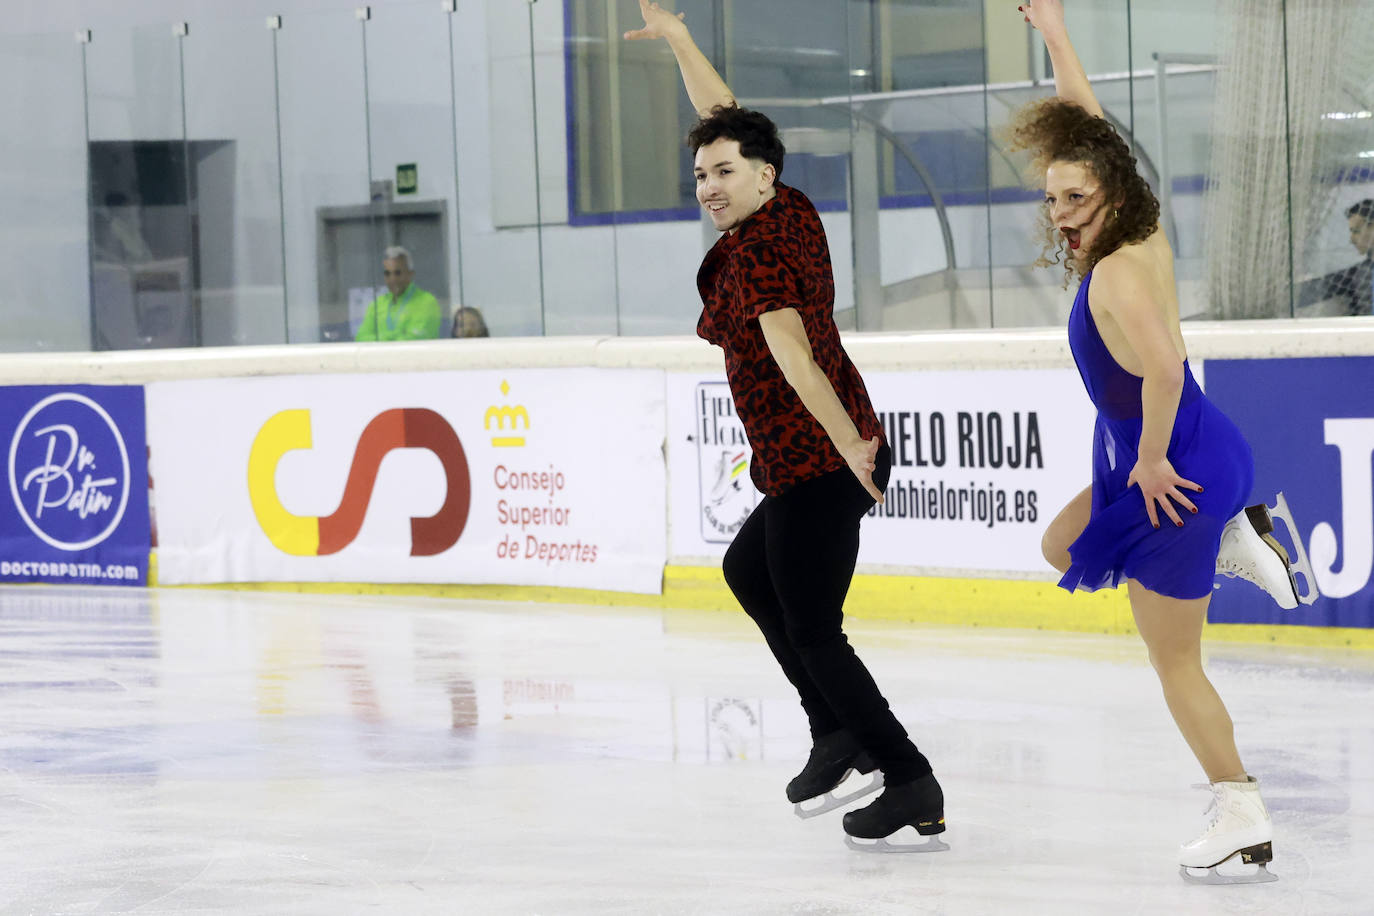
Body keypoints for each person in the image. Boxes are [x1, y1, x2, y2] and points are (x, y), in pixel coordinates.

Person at [625, 0, 945, 853]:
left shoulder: (761, 250)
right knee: (748, 572)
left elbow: (796, 356)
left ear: (762, 174)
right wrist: (683, 42)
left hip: (819, 456)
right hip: (806, 457)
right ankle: (836, 733)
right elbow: (723, 120)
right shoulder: (786, 207)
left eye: (723, 173)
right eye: (701, 176)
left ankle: (906, 775)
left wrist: (850, 450)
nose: (708, 186)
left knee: (812, 626)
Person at [1016, 0, 1297, 884]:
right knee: (1061, 541)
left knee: (1174, 662)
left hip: (1172, 464)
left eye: (1075, 199)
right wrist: (1058, 37)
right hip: (1188, 451)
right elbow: (1092, 130)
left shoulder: (1114, 271)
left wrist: (1146, 461)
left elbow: (1168, 367)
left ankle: (1237, 806)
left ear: (1111, 196)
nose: (1061, 213)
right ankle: (1233, 531)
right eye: (1053, 198)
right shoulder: (1137, 227)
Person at [1298, 199, 1374, 315]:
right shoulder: (1358, 274)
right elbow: (1319, 288)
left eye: (1356, 231)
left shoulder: (1361, 274)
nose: (1352, 240)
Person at [355, 246, 441, 341]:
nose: (392, 279)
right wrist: (397, 335)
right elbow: (360, 338)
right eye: (387, 274)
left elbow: (416, 339)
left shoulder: (427, 302)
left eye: (398, 273)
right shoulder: (377, 304)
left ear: (410, 274)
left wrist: (380, 338)